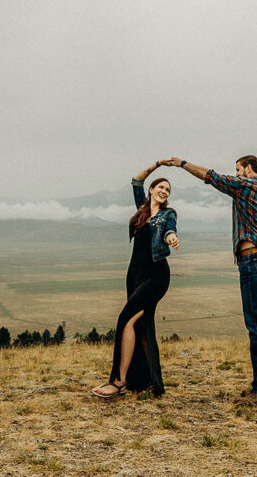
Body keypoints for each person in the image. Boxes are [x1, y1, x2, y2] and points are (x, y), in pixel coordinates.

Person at [166, 154, 257, 408]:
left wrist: (182, 164)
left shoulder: (246, 186)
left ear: (249, 169)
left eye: (238, 169)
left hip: (252, 260)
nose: (236, 173)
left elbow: (211, 177)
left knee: (256, 325)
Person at [92, 160, 180, 398]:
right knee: (141, 325)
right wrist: (158, 164)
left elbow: (170, 228)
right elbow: (136, 180)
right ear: (152, 190)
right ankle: (146, 382)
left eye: (168, 190)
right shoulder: (142, 209)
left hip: (156, 276)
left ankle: (119, 382)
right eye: (160, 187)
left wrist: (171, 237)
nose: (164, 191)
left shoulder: (167, 214)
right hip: (135, 276)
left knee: (126, 320)